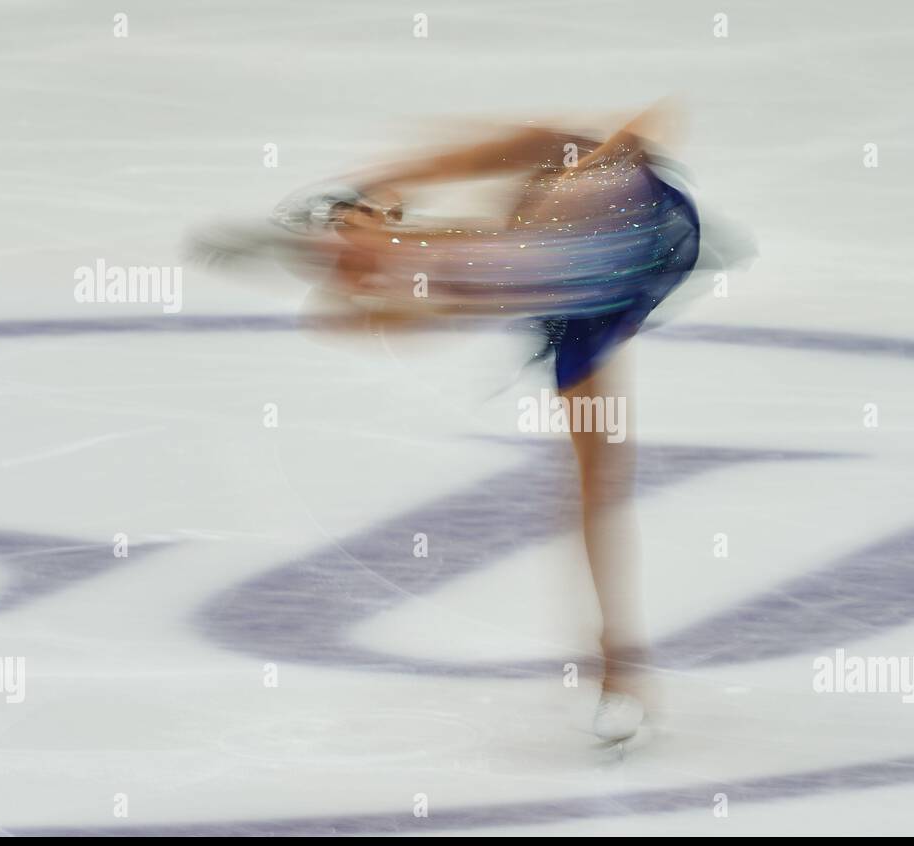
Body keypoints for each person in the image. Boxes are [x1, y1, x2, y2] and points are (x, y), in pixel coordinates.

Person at [203, 105, 701, 742]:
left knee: (598, 480)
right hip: (578, 278)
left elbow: (652, 122)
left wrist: (362, 267)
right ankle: (618, 662)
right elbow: (380, 317)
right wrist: (366, 256)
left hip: (601, 275)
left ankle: (617, 661)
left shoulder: (542, 212)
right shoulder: (510, 234)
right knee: (595, 479)